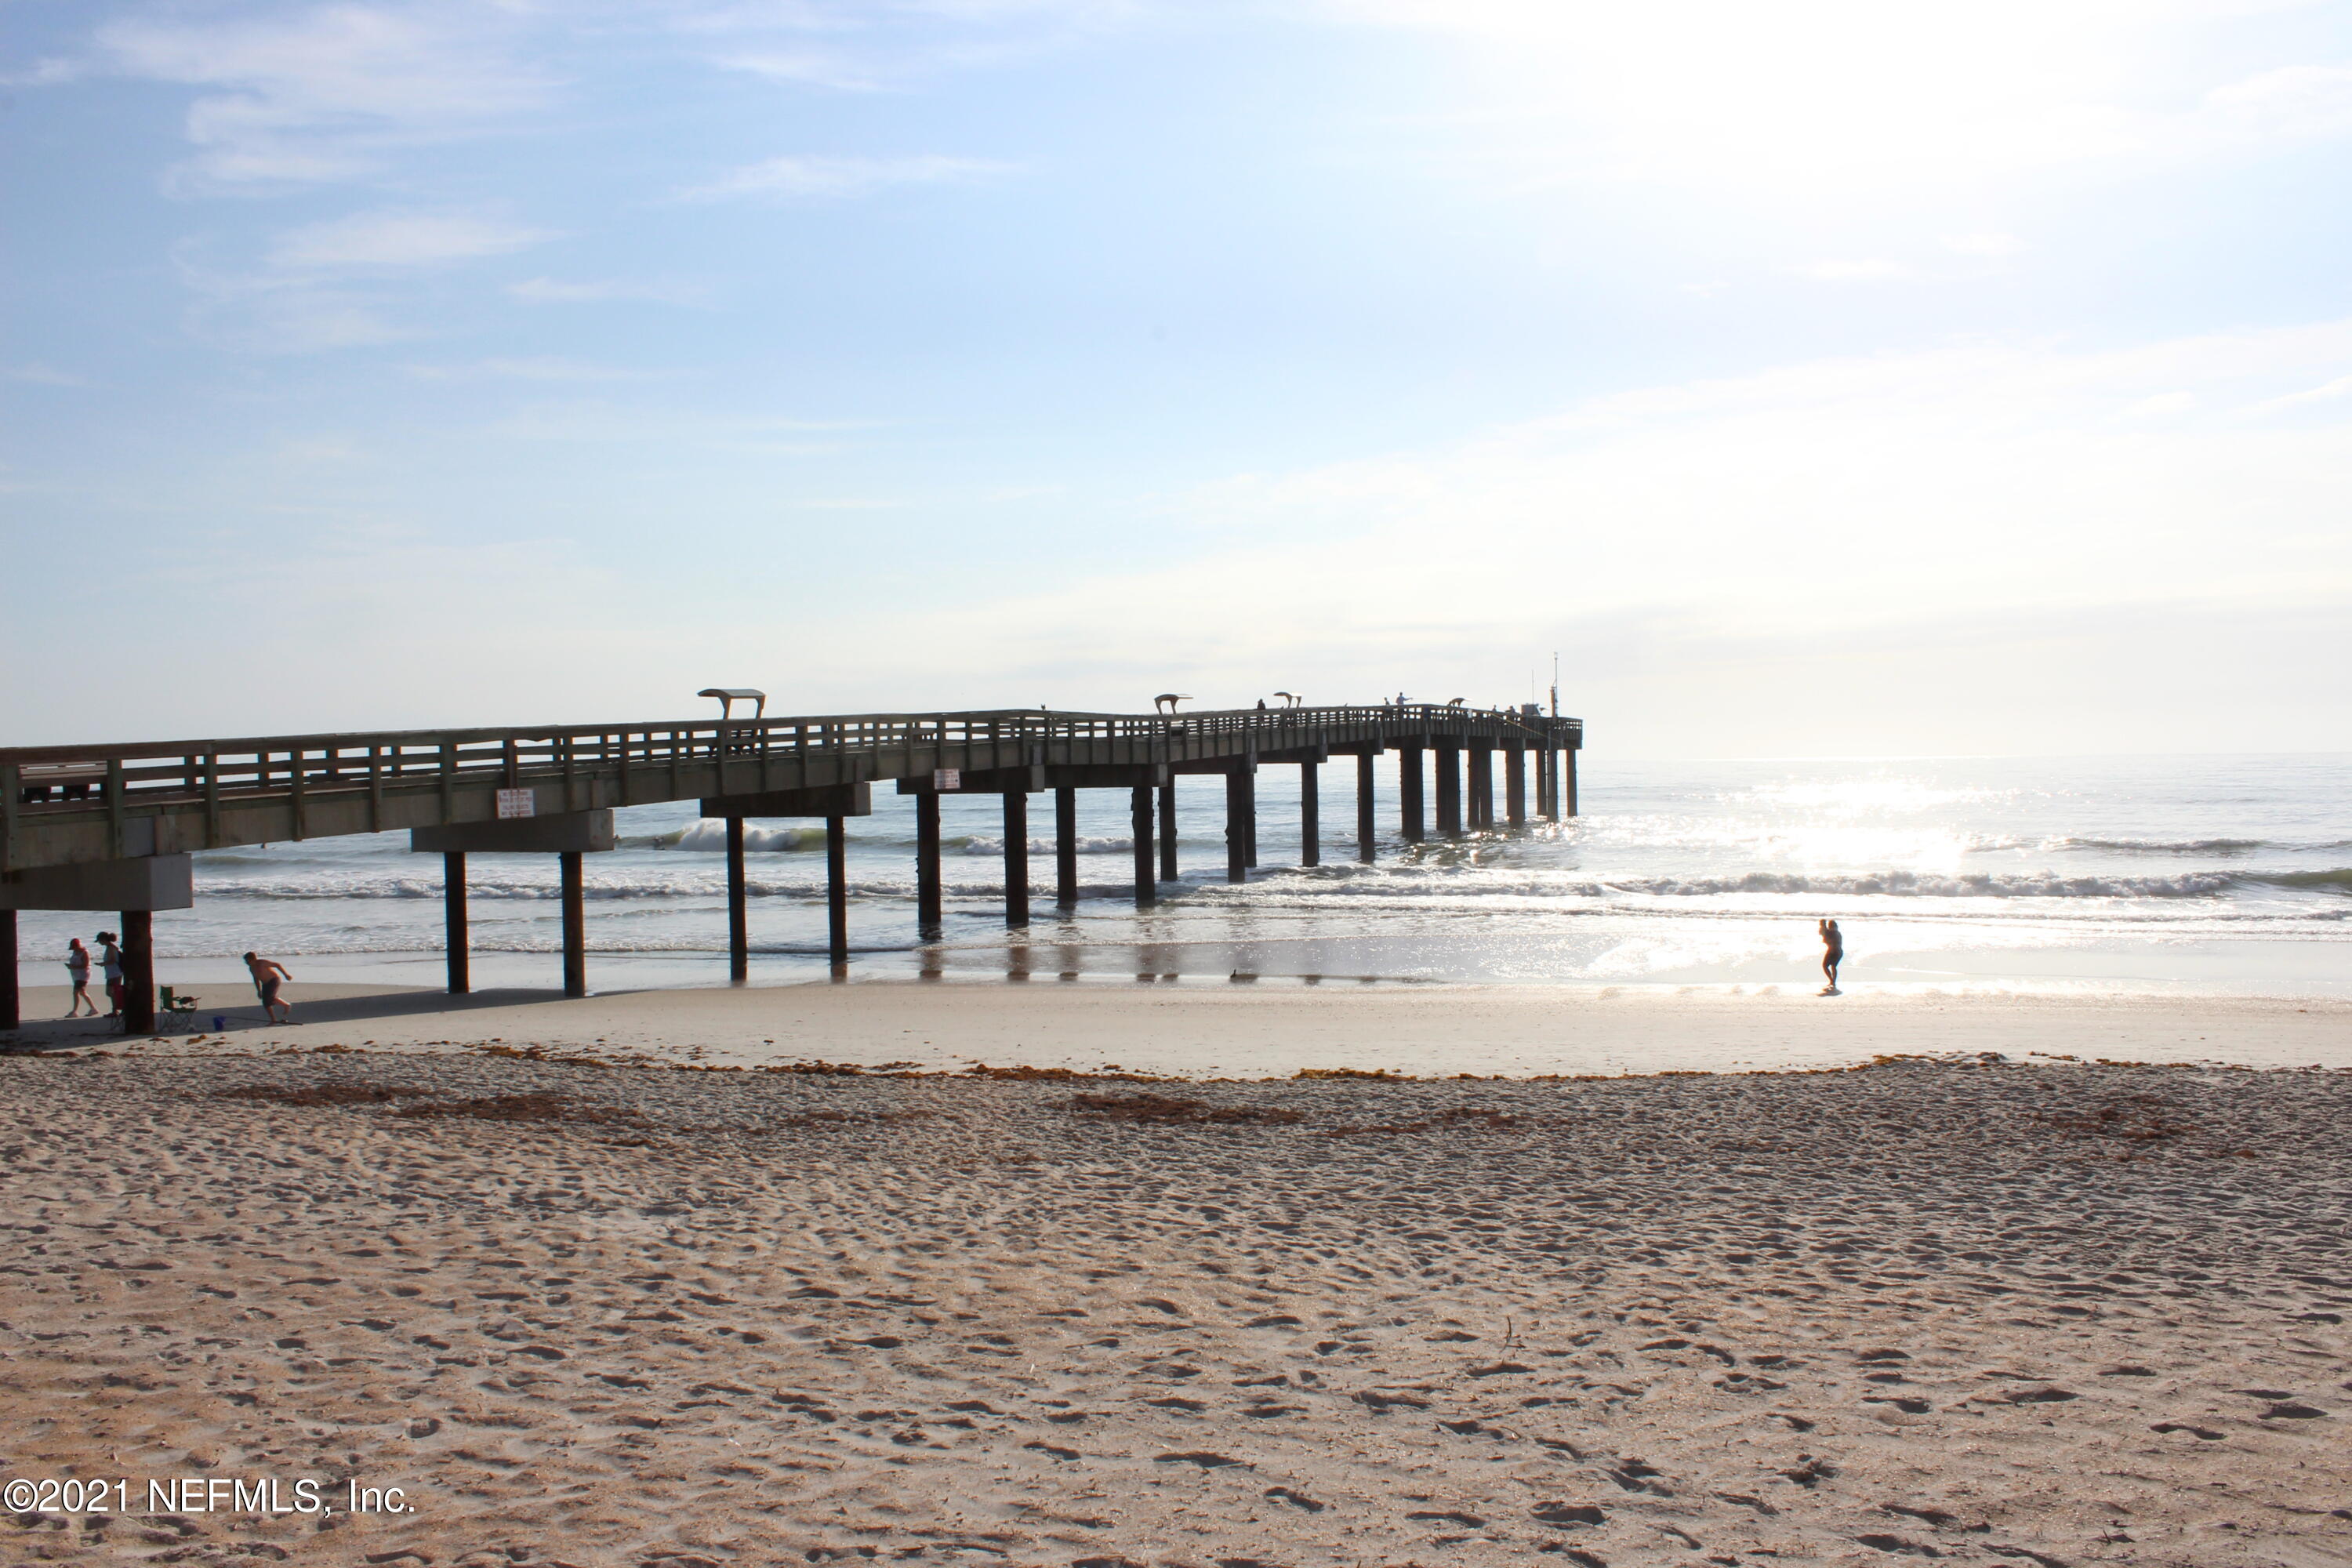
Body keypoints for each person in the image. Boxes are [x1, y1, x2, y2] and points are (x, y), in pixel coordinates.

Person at [245, 951, 294, 1024]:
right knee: (265, 1002)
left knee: (270, 998)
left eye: (248, 961)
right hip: (265, 984)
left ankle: (286, 1005)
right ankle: (273, 1020)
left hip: (274, 980)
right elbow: (256, 979)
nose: (246, 963)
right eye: (246, 961)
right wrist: (259, 990)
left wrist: (286, 975)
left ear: (253, 959)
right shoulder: (251, 968)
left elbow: (277, 965)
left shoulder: (262, 963)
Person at [64, 938, 97, 1017]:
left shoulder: (85, 952)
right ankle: (93, 1009)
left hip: (83, 975)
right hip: (76, 975)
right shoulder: (75, 952)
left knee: (76, 992)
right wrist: (71, 966)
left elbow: (85, 965)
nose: (73, 949)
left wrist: (73, 967)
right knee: (82, 992)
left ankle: (74, 1011)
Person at [96, 931, 124, 1018]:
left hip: (114, 973)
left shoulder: (110, 948)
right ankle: (116, 1010)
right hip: (113, 973)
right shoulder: (111, 947)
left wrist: (102, 964)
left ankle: (116, 1010)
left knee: (111, 992)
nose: (99, 943)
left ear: (103, 939)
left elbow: (112, 960)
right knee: (113, 992)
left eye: (99, 941)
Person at [1818, 918, 1844, 995]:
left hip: (1834, 951)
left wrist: (1823, 925)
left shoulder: (1833, 933)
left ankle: (1832, 982)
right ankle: (1832, 982)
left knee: (1828, 966)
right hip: (1837, 951)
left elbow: (1824, 934)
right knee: (1831, 966)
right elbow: (1823, 933)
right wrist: (1823, 925)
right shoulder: (1835, 933)